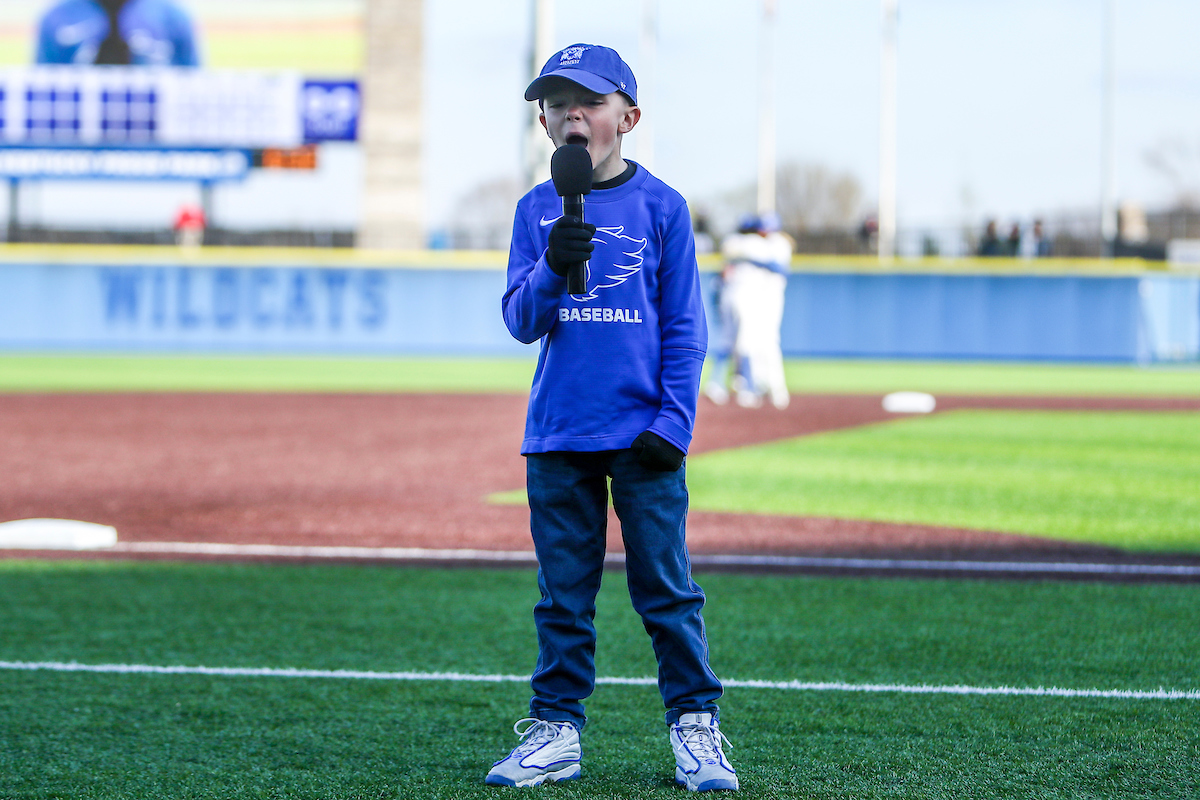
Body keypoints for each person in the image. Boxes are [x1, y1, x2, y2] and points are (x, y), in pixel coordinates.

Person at [491, 43, 738, 793]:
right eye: (558, 102)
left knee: (667, 591)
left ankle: (696, 728)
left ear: (627, 117)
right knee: (563, 596)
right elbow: (521, 321)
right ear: (543, 121)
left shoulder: (662, 206)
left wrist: (674, 423)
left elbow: (685, 326)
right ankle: (556, 732)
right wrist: (549, 265)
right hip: (559, 433)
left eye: (590, 101)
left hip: (643, 439)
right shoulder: (536, 210)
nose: (574, 113)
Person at [712, 212, 793, 409]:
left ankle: (775, 389)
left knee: (768, 342)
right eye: (761, 229)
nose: (764, 232)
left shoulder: (778, 243)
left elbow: (780, 268)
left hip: (770, 299)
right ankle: (751, 384)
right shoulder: (749, 242)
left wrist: (749, 259)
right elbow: (729, 250)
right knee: (746, 343)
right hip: (750, 299)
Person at [36, 0, 200, 66]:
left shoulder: (172, 16)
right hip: (77, 132)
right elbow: (41, 90)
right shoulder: (56, 17)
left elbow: (194, 87)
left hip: (155, 132)